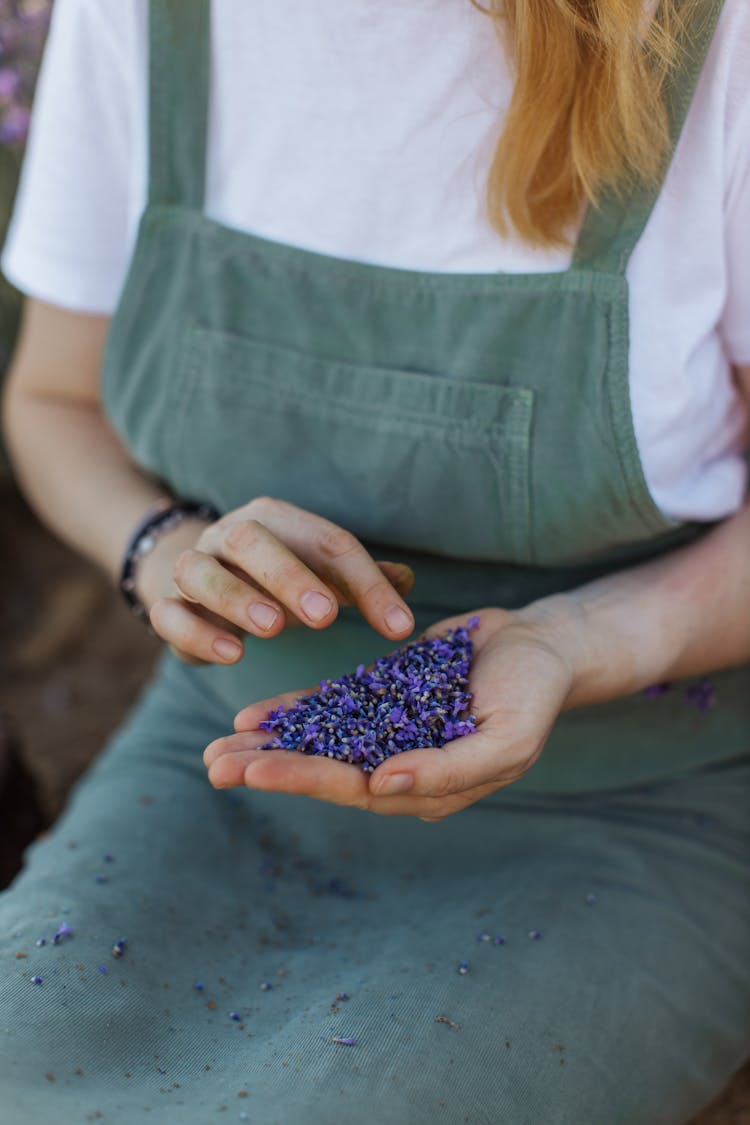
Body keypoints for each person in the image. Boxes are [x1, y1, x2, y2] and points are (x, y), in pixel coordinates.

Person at [1, 0, 748, 1121]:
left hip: (639, 791)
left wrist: (575, 640)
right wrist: (160, 550)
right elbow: (51, 399)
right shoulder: (143, 17)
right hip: (225, 756)